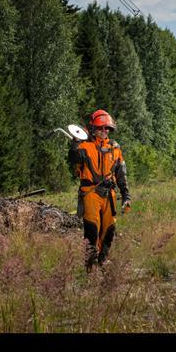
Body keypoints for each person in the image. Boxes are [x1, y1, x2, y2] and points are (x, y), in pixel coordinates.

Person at [69, 109, 131, 272]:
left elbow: (121, 173)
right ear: (94, 128)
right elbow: (73, 159)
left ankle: (102, 265)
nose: (104, 131)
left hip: (109, 195)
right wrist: (74, 144)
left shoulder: (115, 147)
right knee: (91, 231)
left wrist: (126, 195)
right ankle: (89, 268)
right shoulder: (84, 145)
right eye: (101, 127)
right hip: (90, 193)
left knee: (109, 231)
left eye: (107, 128)